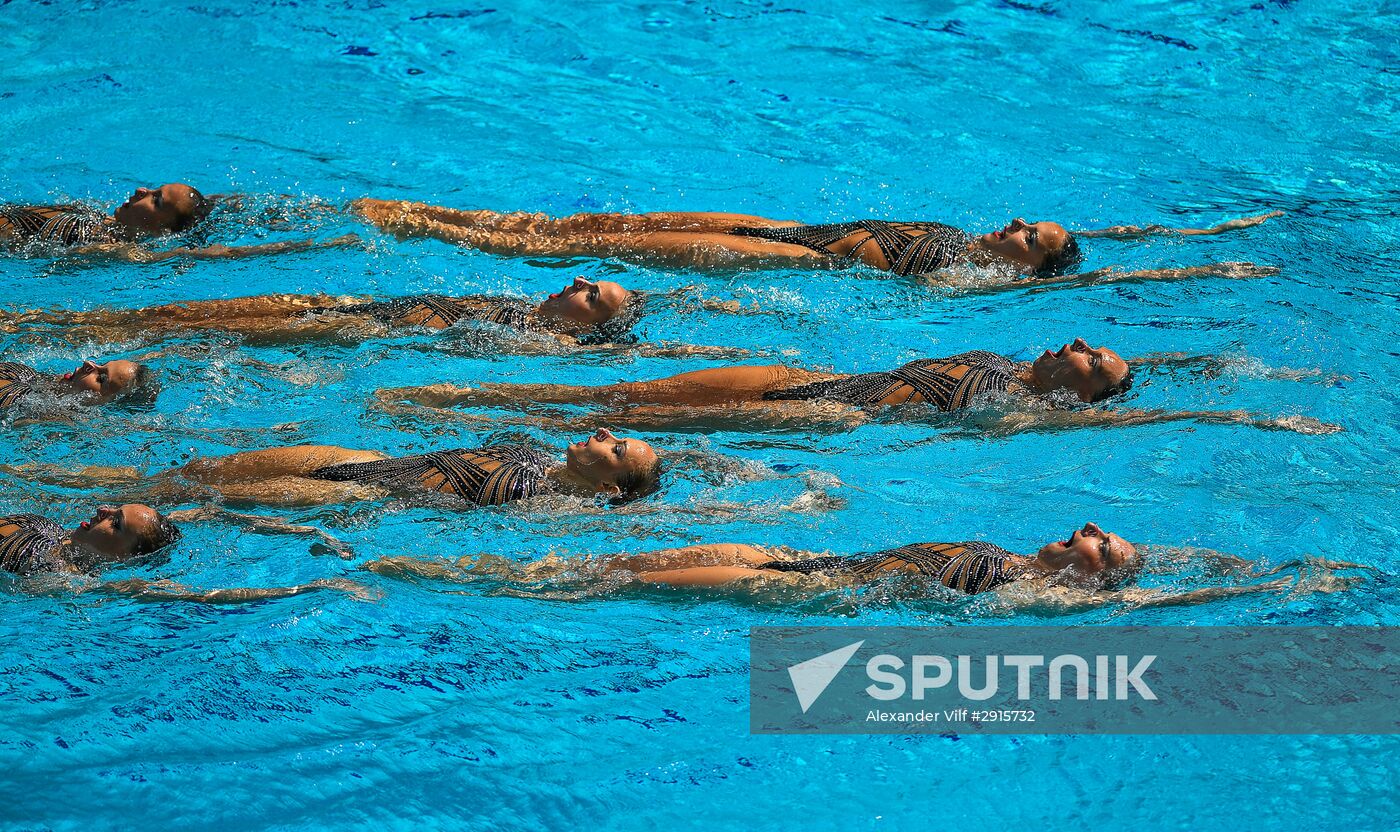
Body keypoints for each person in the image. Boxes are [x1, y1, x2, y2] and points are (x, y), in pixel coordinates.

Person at [377, 339, 1339, 435]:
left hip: (834, 414)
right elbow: (1167, 374)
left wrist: (1248, 412)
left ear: (1077, 394)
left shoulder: (1033, 414)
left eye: (1096, 362)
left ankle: (433, 408)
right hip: (809, 377)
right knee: (638, 394)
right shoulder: (1023, 363)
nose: (1083, 343)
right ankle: (465, 400)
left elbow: (1157, 407)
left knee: (609, 416)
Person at [366, 521, 1351, 609]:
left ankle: (407, 573)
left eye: (1105, 545)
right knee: (616, 558)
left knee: (606, 582)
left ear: (1093, 577)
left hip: (798, 587)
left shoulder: (1041, 606)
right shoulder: (1025, 565)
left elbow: (1157, 598)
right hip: (801, 555)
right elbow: (1167, 565)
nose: (1088, 530)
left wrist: (1279, 583)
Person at [351, 197, 1282, 279]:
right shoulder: (989, 249)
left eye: (1027, 234)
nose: (1011, 225)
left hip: (797, 257)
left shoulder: (984, 285)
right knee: (601, 225)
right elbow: (1123, 237)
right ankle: (434, 212)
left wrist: (1206, 265)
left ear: (1037, 267)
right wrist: (1205, 225)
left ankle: (422, 232)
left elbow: (1113, 277)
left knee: (568, 255)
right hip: (792, 224)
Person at [10, 428, 664, 509]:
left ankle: (47, 505)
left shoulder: (536, 507)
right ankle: (40, 476)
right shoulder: (533, 451)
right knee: (201, 466)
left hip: (354, 499)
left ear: (608, 486)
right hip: (357, 461)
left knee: (192, 493)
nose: (603, 434)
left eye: (615, 449)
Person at [1, 277, 641, 347]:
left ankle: (47, 330)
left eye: (593, 296)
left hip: (358, 330)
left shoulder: (542, 342)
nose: (577, 280)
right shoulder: (515, 306)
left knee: (207, 328)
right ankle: (43, 324)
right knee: (185, 313)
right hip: (362, 309)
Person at [0, 503, 361, 603]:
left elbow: (202, 597)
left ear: (123, 559)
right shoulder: (56, 532)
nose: (102, 510)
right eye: (115, 510)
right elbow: (211, 513)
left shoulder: (62, 581)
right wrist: (310, 529)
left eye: (116, 524)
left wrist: (317, 587)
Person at [1, 181, 357, 262]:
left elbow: (219, 253)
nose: (141, 189)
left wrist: (317, 244)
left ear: (161, 230)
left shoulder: (118, 249)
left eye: (155, 199)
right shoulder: (91, 211)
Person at [0, 357, 156, 410]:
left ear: (105, 403)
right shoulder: (23, 374)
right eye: (101, 364)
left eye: (101, 378)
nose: (88, 363)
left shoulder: (47, 417)